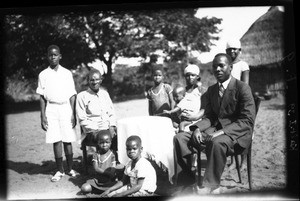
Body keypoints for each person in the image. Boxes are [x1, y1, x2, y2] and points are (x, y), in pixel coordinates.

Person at [173, 53, 256, 194]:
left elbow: (247, 121)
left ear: (230, 67)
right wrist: (197, 129)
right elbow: (210, 116)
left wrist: (221, 132)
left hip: (237, 134)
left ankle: (212, 186)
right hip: (214, 131)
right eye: (215, 66)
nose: (217, 69)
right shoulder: (212, 90)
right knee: (180, 138)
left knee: (216, 142)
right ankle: (188, 181)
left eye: (221, 65)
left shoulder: (242, 88)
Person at [36, 45, 79, 182]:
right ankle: (60, 170)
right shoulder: (43, 74)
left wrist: (73, 113)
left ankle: (70, 168)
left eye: (55, 55)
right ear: (47, 56)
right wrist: (42, 116)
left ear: (60, 56)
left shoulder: (67, 73)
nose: (53, 57)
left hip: (65, 107)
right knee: (56, 139)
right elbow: (42, 97)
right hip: (51, 109)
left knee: (67, 139)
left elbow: (72, 94)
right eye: (50, 55)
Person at [76, 68, 117, 152]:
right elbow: (82, 119)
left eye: (97, 79)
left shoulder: (105, 94)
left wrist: (112, 125)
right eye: (92, 80)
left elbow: (111, 113)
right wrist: (98, 129)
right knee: (103, 137)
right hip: (92, 131)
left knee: (122, 135)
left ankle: (114, 158)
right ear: (88, 81)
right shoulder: (82, 96)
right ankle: (100, 160)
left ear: (101, 80)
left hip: (107, 127)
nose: (95, 82)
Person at [226, 38, 250, 169]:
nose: (232, 51)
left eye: (235, 49)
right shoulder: (225, 66)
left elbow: (245, 86)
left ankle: (244, 162)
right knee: (228, 129)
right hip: (228, 103)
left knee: (245, 129)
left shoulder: (243, 65)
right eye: (230, 49)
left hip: (241, 101)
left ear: (239, 51)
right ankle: (233, 161)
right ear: (226, 51)